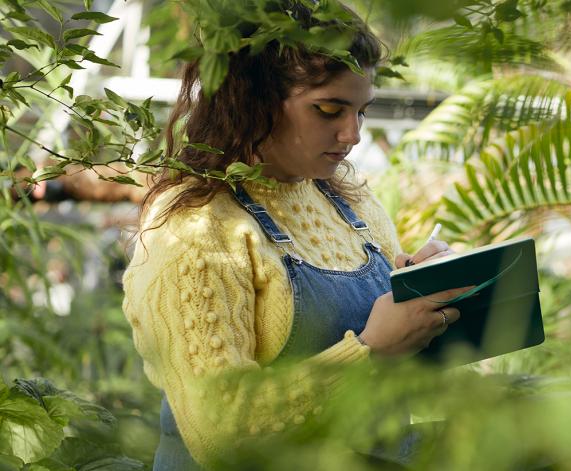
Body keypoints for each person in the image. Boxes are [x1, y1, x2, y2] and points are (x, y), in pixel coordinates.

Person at [122, 3, 467, 469]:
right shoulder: (195, 227)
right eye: (329, 110)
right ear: (252, 99)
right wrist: (367, 352)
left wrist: (426, 300)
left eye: (362, 112)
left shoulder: (352, 202)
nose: (353, 134)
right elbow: (218, 433)